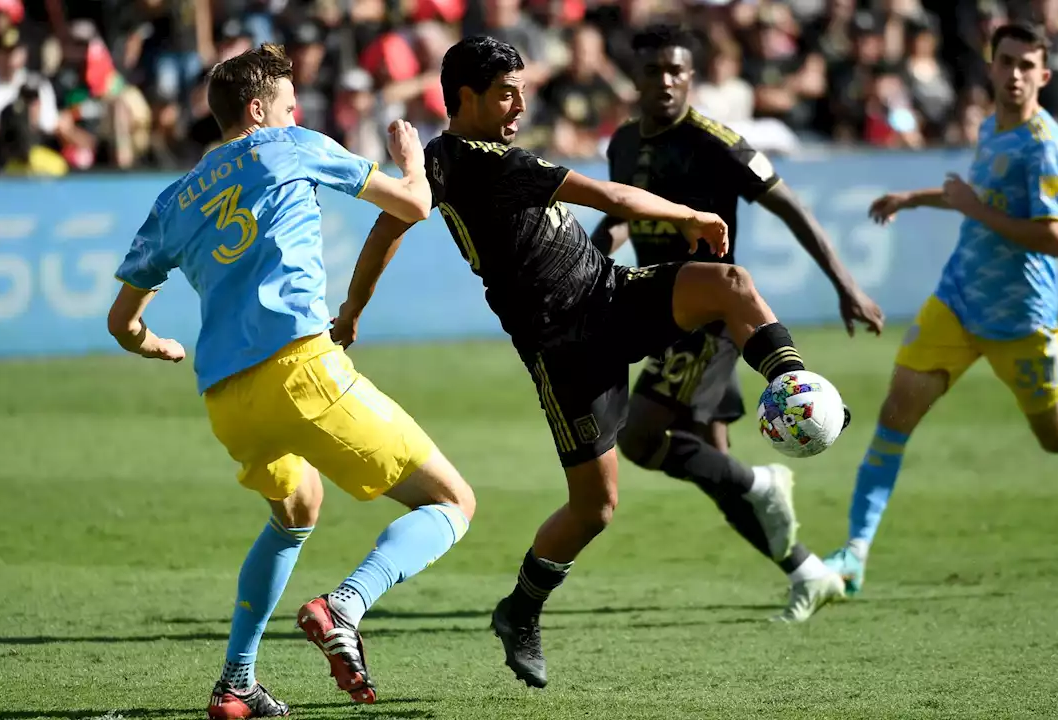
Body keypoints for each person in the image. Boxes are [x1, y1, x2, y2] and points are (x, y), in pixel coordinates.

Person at [334, 36, 847, 690]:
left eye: (521, 89)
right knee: (595, 508)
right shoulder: (486, 163)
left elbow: (388, 226)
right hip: (564, 348)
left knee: (732, 286)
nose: (521, 102)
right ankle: (520, 611)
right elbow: (615, 198)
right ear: (466, 97)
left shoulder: (440, 159)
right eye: (505, 93)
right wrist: (695, 215)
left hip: (609, 292)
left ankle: (794, 387)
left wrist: (352, 310)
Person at [105, 43, 476, 719]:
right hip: (300, 371)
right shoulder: (290, 145)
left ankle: (236, 683)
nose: (295, 111)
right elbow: (415, 205)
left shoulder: (172, 200)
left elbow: (121, 320)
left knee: (296, 509)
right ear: (258, 110)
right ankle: (345, 606)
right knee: (452, 504)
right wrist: (411, 155)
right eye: (285, 103)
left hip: (226, 399)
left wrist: (155, 344)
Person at [823, 23, 1058, 597]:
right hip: (957, 300)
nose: (1016, 74)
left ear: (1044, 77)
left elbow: (1054, 238)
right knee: (895, 418)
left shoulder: (1047, 147)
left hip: (1020, 318)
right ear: (991, 66)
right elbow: (979, 196)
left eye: (1028, 65)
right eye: (1007, 62)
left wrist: (973, 209)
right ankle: (854, 553)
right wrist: (916, 198)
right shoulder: (990, 126)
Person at [591, 24, 885, 624]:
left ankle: (764, 480)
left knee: (642, 438)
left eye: (677, 70)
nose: (667, 80)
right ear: (636, 77)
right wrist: (602, 242)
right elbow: (627, 207)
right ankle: (808, 571)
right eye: (654, 71)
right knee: (710, 466)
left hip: (709, 318)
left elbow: (789, 205)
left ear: (691, 76)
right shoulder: (622, 142)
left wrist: (846, 285)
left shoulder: (715, 142)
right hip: (663, 312)